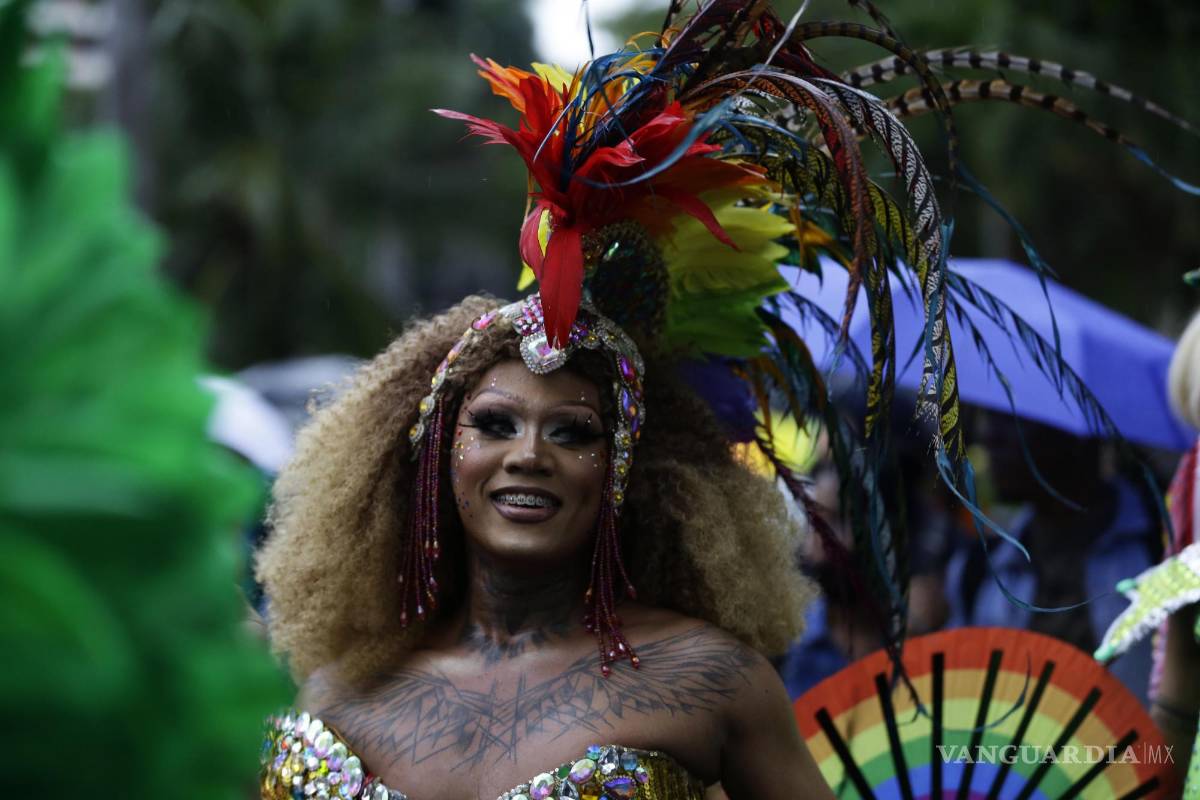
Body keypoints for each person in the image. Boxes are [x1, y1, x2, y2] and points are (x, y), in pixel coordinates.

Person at [256, 295, 827, 799]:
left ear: (622, 471)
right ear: (437, 453)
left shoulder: (714, 680)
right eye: (495, 424)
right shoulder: (340, 686)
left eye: (572, 433)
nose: (529, 455)